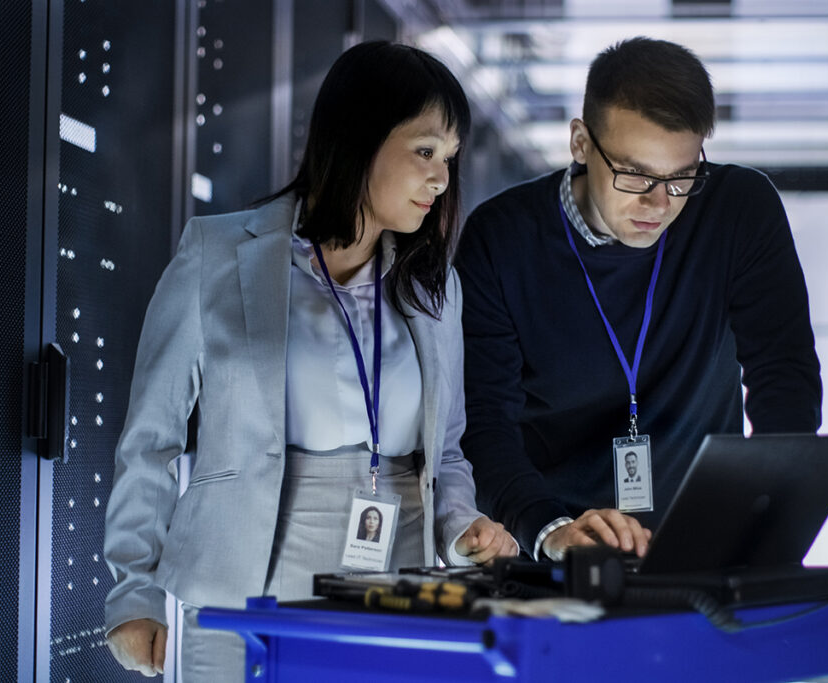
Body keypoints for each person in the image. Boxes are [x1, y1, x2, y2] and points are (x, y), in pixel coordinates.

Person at [103, 41, 517, 680]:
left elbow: (449, 452)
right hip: (242, 581)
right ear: (358, 138)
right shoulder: (216, 255)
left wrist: (462, 529)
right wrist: (133, 589)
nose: (441, 179)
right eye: (425, 151)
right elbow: (150, 441)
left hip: (397, 585)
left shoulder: (436, 289)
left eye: (450, 159)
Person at [455, 37, 821, 563]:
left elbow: (783, 375)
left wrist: (769, 515)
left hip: (704, 540)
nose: (658, 203)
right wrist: (550, 529)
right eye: (634, 175)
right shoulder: (502, 239)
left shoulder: (738, 210)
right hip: (560, 541)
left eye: (681, 177)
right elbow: (484, 422)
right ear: (580, 143)